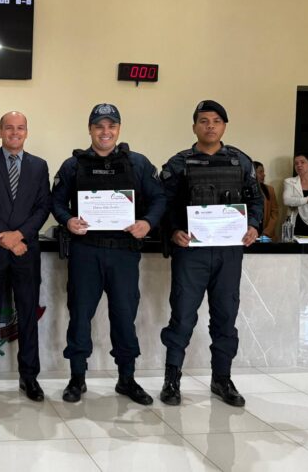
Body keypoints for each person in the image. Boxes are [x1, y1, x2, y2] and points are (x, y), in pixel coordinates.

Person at [51, 103, 166, 405]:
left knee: (124, 318)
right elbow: (57, 202)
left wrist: (147, 222)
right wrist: (67, 220)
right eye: (99, 126)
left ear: (118, 129)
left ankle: (126, 379)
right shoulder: (72, 165)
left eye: (111, 125)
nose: (105, 131)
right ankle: (77, 378)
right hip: (85, 253)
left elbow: (159, 200)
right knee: (80, 318)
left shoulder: (138, 164)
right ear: (90, 129)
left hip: (124, 254)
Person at [159, 100, 262, 407]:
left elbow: (256, 202)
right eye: (204, 121)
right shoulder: (179, 163)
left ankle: (222, 379)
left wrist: (254, 226)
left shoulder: (240, 162)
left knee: (225, 318)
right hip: (191, 252)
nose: (210, 126)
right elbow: (163, 204)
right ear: (194, 127)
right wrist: (173, 230)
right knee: (182, 317)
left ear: (224, 126)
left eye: (216, 121)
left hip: (229, 252)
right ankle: (172, 380)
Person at [0, 111, 51, 402]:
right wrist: (5, 235)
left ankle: (29, 378)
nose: (15, 132)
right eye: (9, 128)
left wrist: (19, 236)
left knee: (27, 315)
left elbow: (43, 207)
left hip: (25, 250)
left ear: (26, 132)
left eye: (20, 128)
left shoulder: (39, 166)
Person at [282, 152, 308, 236]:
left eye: (302, 162)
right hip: (297, 224)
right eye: (296, 163)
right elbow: (287, 200)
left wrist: (297, 202)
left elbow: (292, 200)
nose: (299, 165)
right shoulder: (289, 181)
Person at [253, 161, 279, 240]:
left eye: (263, 172)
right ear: (252, 174)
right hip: (249, 234)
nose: (264, 175)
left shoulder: (269, 189)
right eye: (260, 172)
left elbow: (274, 212)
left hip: (266, 235)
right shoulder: (243, 190)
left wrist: (267, 232)